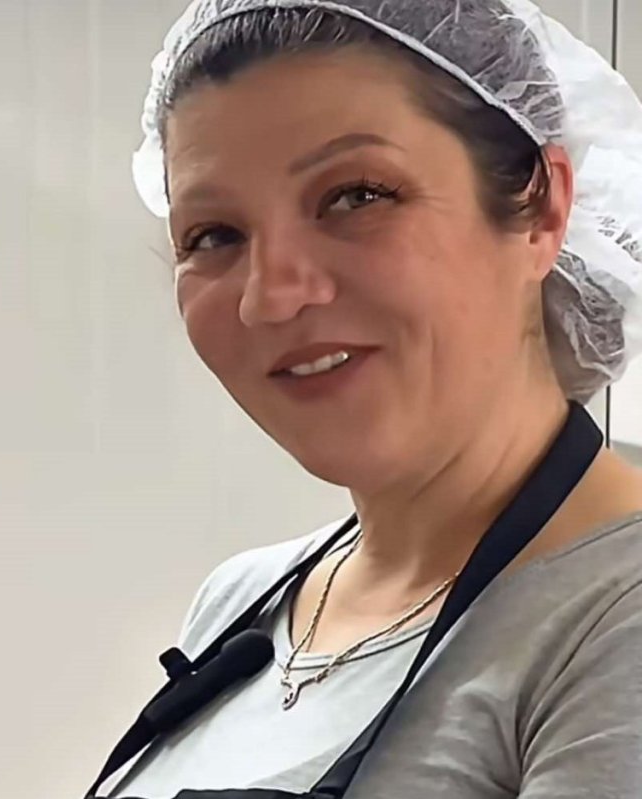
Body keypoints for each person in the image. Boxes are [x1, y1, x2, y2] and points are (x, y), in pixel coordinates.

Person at [102, 1, 642, 797]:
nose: (270, 296)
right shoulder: (242, 602)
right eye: (214, 235)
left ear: (542, 210)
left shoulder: (614, 614)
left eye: (356, 196)